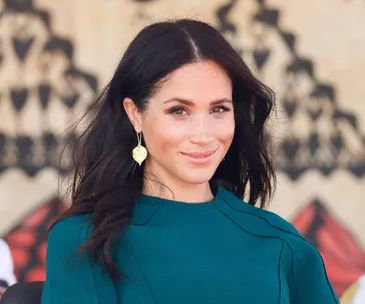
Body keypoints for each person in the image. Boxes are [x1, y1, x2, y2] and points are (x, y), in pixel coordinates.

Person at [41, 19, 339, 303]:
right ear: (136, 114)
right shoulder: (84, 242)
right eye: (179, 111)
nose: (203, 134)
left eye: (219, 109)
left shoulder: (281, 244)